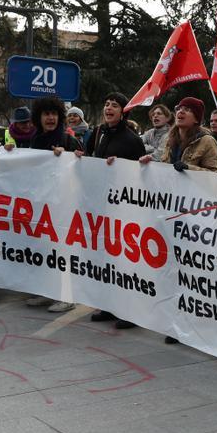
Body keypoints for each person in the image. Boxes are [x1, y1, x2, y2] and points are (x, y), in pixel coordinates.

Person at [77, 91, 145, 330]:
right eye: (106, 104)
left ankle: (130, 311)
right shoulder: (99, 133)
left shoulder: (131, 139)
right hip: (102, 205)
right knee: (105, 258)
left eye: (114, 105)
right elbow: (93, 160)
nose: (108, 108)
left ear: (123, 111)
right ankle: (108, 303)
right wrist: (81, 159)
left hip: (124, 208)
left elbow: (141, 174)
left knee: (125, 260)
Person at [19, 96, 82, 312]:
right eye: (46, 114)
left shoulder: (68, 139)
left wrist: (67, 157)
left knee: (62, 250)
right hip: (42, 204)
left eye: (54, 113)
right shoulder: (36, 140)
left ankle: (67, 296)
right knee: (44, 249)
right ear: (39, 117)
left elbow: (83, 167)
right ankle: (47, 292)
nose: (50, 118)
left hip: (63, 205)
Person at [139, 97, 217, 172]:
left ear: (196, 119)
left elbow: (215, 173)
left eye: (187, 109)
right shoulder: (169, 139)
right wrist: (152, 161)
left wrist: (188, 168)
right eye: (179, 108)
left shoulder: (207, 141)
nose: (181, 111)